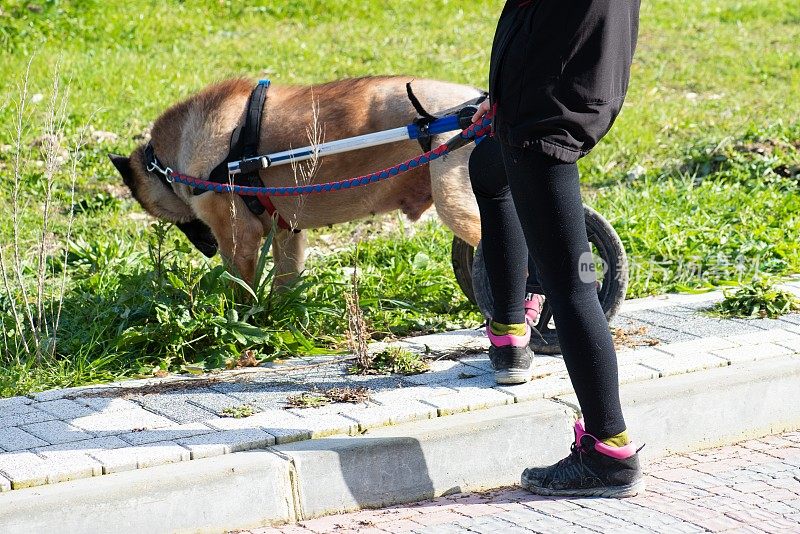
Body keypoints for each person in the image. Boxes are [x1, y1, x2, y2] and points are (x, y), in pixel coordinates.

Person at [469, 0, 643, 497]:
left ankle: (609, 452)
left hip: (541, 117)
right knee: (488, 167)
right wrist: (500, 97)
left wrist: (513, 100)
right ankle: (508, 333)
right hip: (554, 97)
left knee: (571, 286)